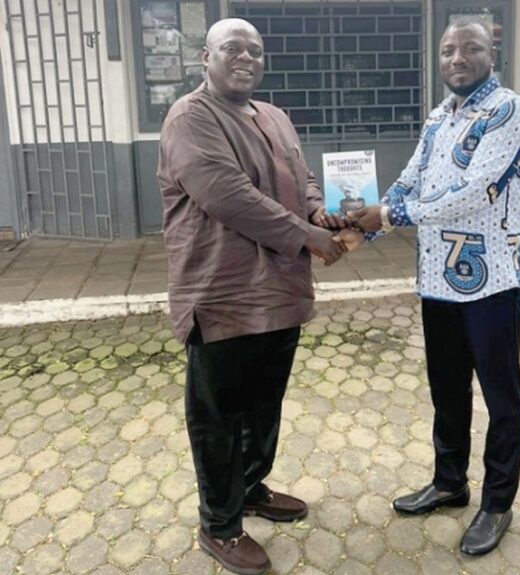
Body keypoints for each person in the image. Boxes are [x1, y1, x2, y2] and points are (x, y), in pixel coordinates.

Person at [337, 18, 520, 555]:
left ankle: (497, 503)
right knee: (447, 393)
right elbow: (410, 179)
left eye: (469, 48)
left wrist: (390, 215)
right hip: (438, 286)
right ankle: (450, 483)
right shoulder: (440, 116)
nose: (456, 58)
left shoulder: (510, 111)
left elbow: (476, 193)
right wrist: (361, 224)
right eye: (447, 49)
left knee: (502, 398)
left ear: (490, 52)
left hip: (493, 283)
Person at [157, 18, 345, 575]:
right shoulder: (191, 117)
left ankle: (250, 486)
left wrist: (319, 210)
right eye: (232, 48)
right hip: (222, 293)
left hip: (281, 289)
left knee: (263, 404)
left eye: (255, 51)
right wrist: (309, 237)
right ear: (206, 59)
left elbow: (301, 176)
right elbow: (228, 195)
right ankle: (219, 523)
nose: (246, 58)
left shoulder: (276, 116)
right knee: (217, 415)